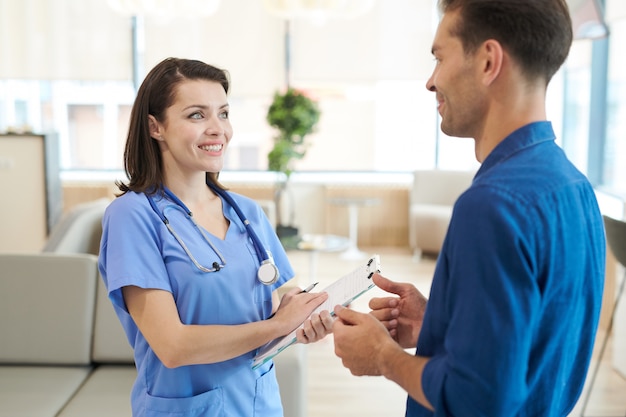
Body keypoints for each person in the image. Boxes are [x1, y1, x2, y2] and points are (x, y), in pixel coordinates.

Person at [332, 1, 606, 416]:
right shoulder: (574, 186)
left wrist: (381, 356)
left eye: (439, 58)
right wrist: (439, 324)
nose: (430, 81)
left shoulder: (492, 205)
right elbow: (535, 351)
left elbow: (478, 399)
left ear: (488, 61)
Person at [98, 57, 333, 417]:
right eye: (197, 115)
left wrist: (301, 319)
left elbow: (268, 303)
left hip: (259, 403)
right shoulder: (133, 216)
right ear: (155, 127)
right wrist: (276, 325)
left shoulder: (247, 213)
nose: (218, 129)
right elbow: (172, 345)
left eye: (223, 113)